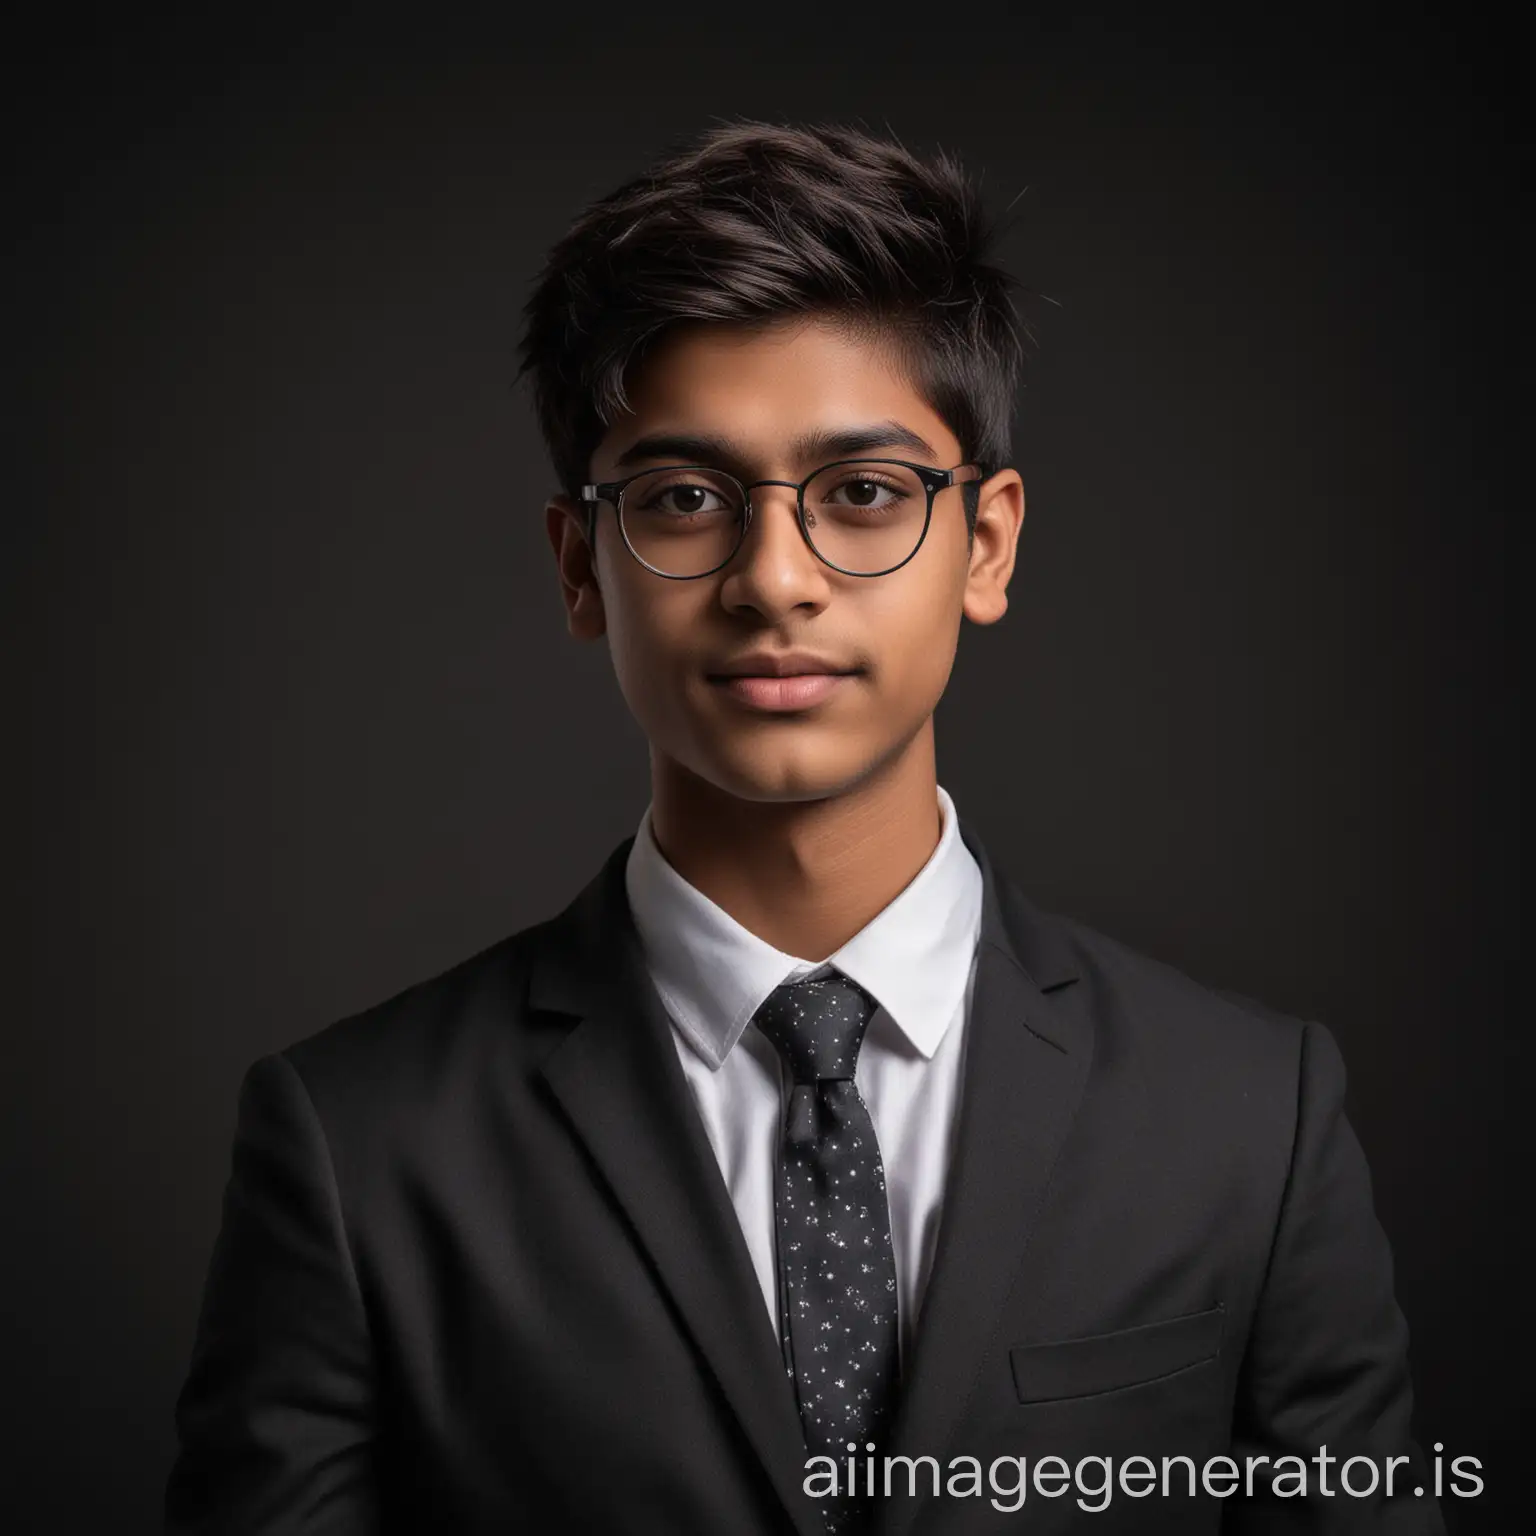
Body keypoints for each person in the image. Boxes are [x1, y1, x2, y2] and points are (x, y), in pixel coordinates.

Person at [165, 121, 1443, 1534]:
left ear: (991, 543)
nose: (776, 580)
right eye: (685, 498)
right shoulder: (360, 1143)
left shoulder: (1249, 1121)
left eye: (866, 494)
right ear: (581, 567)